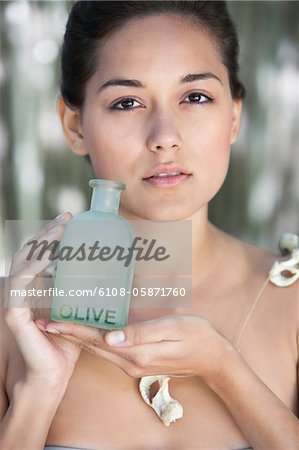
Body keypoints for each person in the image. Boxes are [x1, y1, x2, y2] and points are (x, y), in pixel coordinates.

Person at [0, 1, 298, 449]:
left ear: (234, 116)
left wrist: (224, 368)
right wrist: (38, 389)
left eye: (195, 97)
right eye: (127, 102)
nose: (164, 135)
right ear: (75, 124)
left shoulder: (291, 303)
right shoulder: (15, 317)